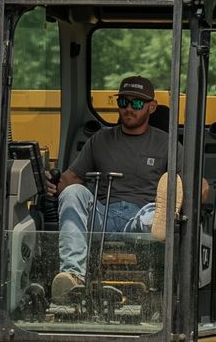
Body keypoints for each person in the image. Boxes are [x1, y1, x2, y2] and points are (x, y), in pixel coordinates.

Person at [49, 75, 172, 302]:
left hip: (140, 217)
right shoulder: (100, 140)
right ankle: (72, 276)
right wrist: (49, 182)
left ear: (152, 107)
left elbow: (200, 185)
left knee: (154, 217)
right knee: (72, 193)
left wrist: (189, 194)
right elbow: (70, 178)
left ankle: (161, 218)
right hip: (102, 216)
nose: (128, 109)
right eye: (123, 102)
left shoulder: (167, 143)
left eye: (136, 103)